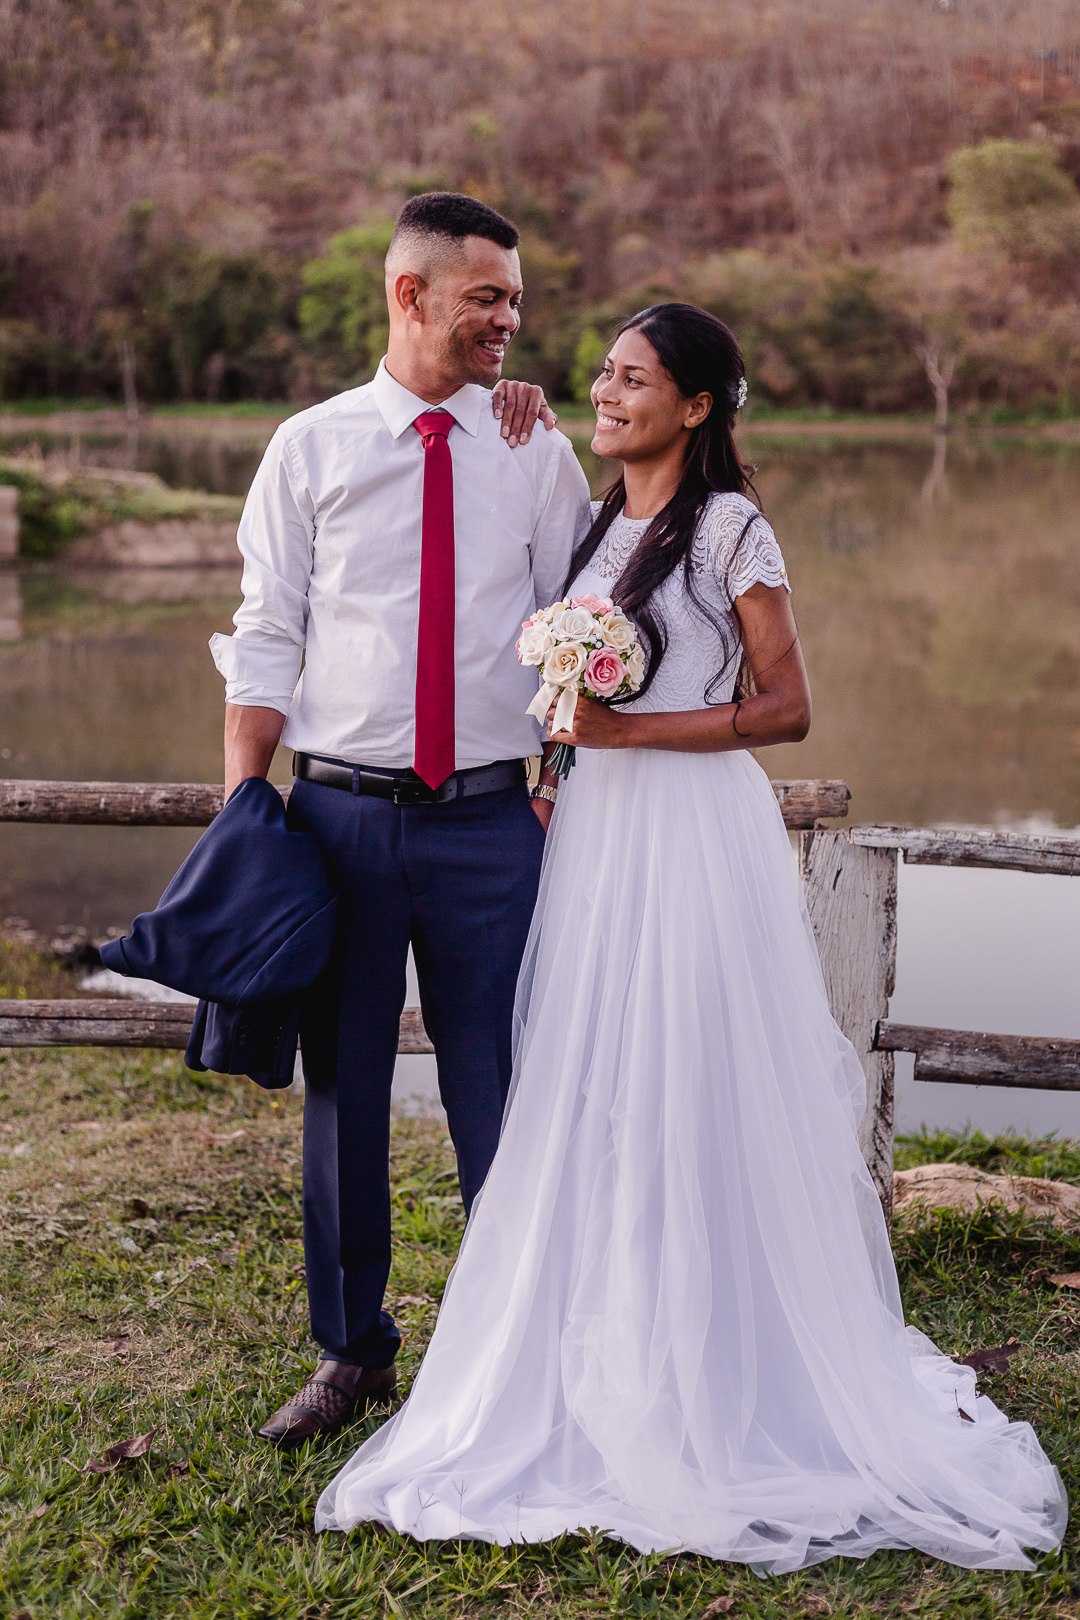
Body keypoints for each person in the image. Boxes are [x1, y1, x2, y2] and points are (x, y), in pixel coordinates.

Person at [315, 304, 1067, 1572]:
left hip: (691, 838)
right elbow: (564, 660)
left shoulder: (729, 528)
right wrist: (568, 750)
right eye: (604, 374)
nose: (611, 394)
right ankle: (608, 1337)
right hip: (600, 836)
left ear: (701, 406)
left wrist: (626, 738)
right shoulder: (600, 521)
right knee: (595, 1081)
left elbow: (787, 708)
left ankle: (724, 1360)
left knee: (691, 1072)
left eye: (637, 380)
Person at [209, 191, 591, 1447]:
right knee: (344, 1094)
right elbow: (267, 635)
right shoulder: (308, 447)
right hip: (341, 824)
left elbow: (574, 630)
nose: (510, 321)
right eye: (486, 296)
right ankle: (350, 1354)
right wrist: (240, 817)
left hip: (493, 825)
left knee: (505, 1089)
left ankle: (515, 1354)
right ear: (409, 295)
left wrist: (557, 780)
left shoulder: (535, 448)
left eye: (516, 299)